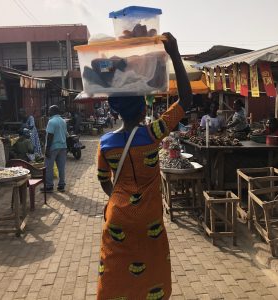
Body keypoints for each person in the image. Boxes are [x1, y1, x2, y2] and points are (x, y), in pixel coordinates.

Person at [96, 32, 192, 299]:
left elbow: (104, 179)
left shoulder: (105, 143)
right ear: (142, 109)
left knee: (115, 278)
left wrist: (120, 196)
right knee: (152, 277)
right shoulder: (153, 133)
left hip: (118, 219)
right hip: (150, 219)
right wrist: (174, 53)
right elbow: (186, 100)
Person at [42, 105, 68, 193]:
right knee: (61, 167)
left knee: (49, 167)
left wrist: (47, 149)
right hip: (63, 146)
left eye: (49, 110)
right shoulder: (63, 121)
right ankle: (61, 185)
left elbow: (50, 136)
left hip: (53, 147)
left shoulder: (51, 121)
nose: (48, 112)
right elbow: (66, 134)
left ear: (53, 111)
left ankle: (49, 186)